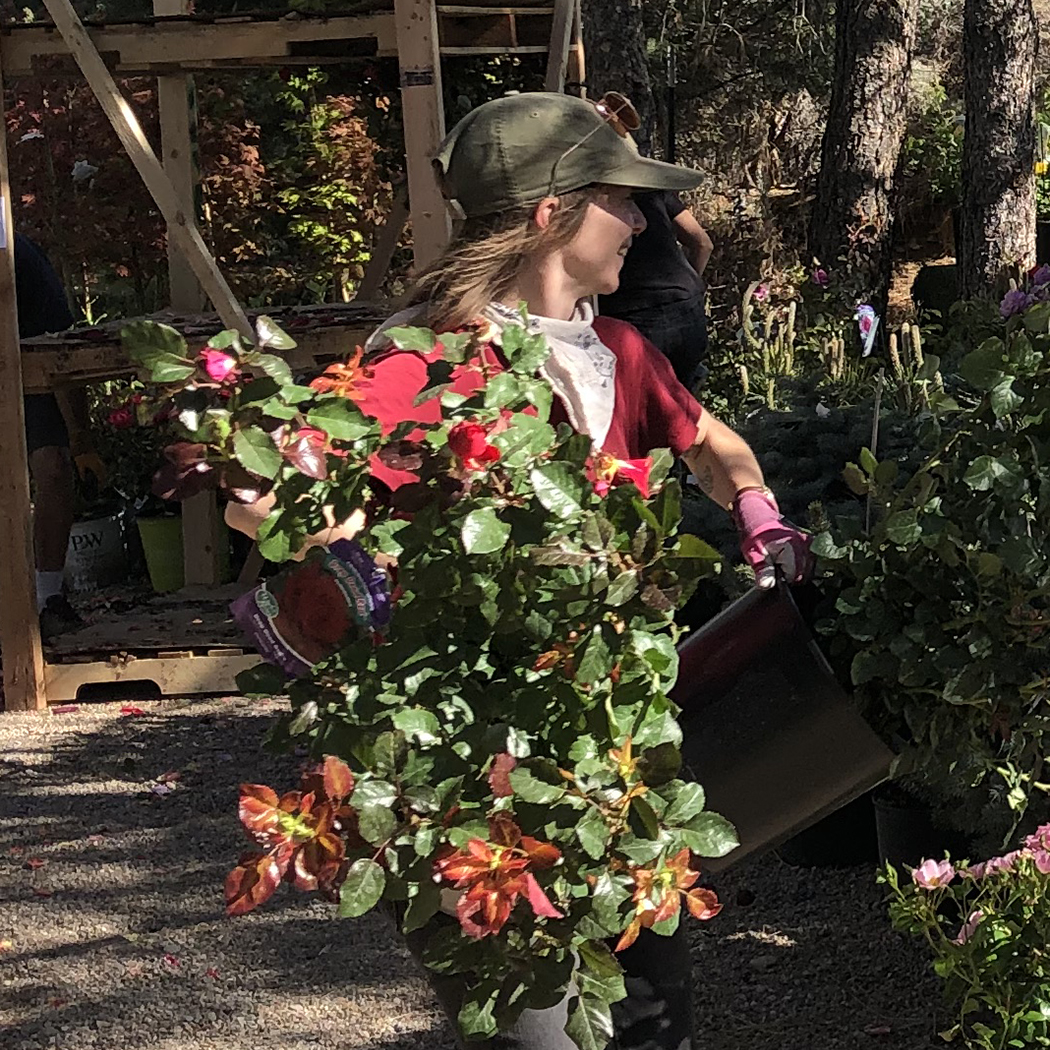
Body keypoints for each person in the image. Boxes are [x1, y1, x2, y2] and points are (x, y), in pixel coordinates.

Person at [227, 91, 811, 1049]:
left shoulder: (615, 350)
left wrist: (754, 511)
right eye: (623, 201)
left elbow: (709, 442)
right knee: (533, 1029)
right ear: (553, 213)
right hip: (474, 776)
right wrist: (279, 510)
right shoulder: (422, 365)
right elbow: (327, 524)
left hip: (610, 768)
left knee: (653, 1023)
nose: (643, 221)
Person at [15, 233, 103, 639]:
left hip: (28, 370)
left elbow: (61, 350)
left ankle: (46, 599)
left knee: (51, 465)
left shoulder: (21, 257)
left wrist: (81, 442)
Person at [598, 189, 713, 388]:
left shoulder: (593, 197)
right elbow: (703, 243)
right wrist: (687, 285)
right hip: (687, 307)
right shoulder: (654, 191)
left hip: (630, 314)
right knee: (682, 404)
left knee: (638, 406)